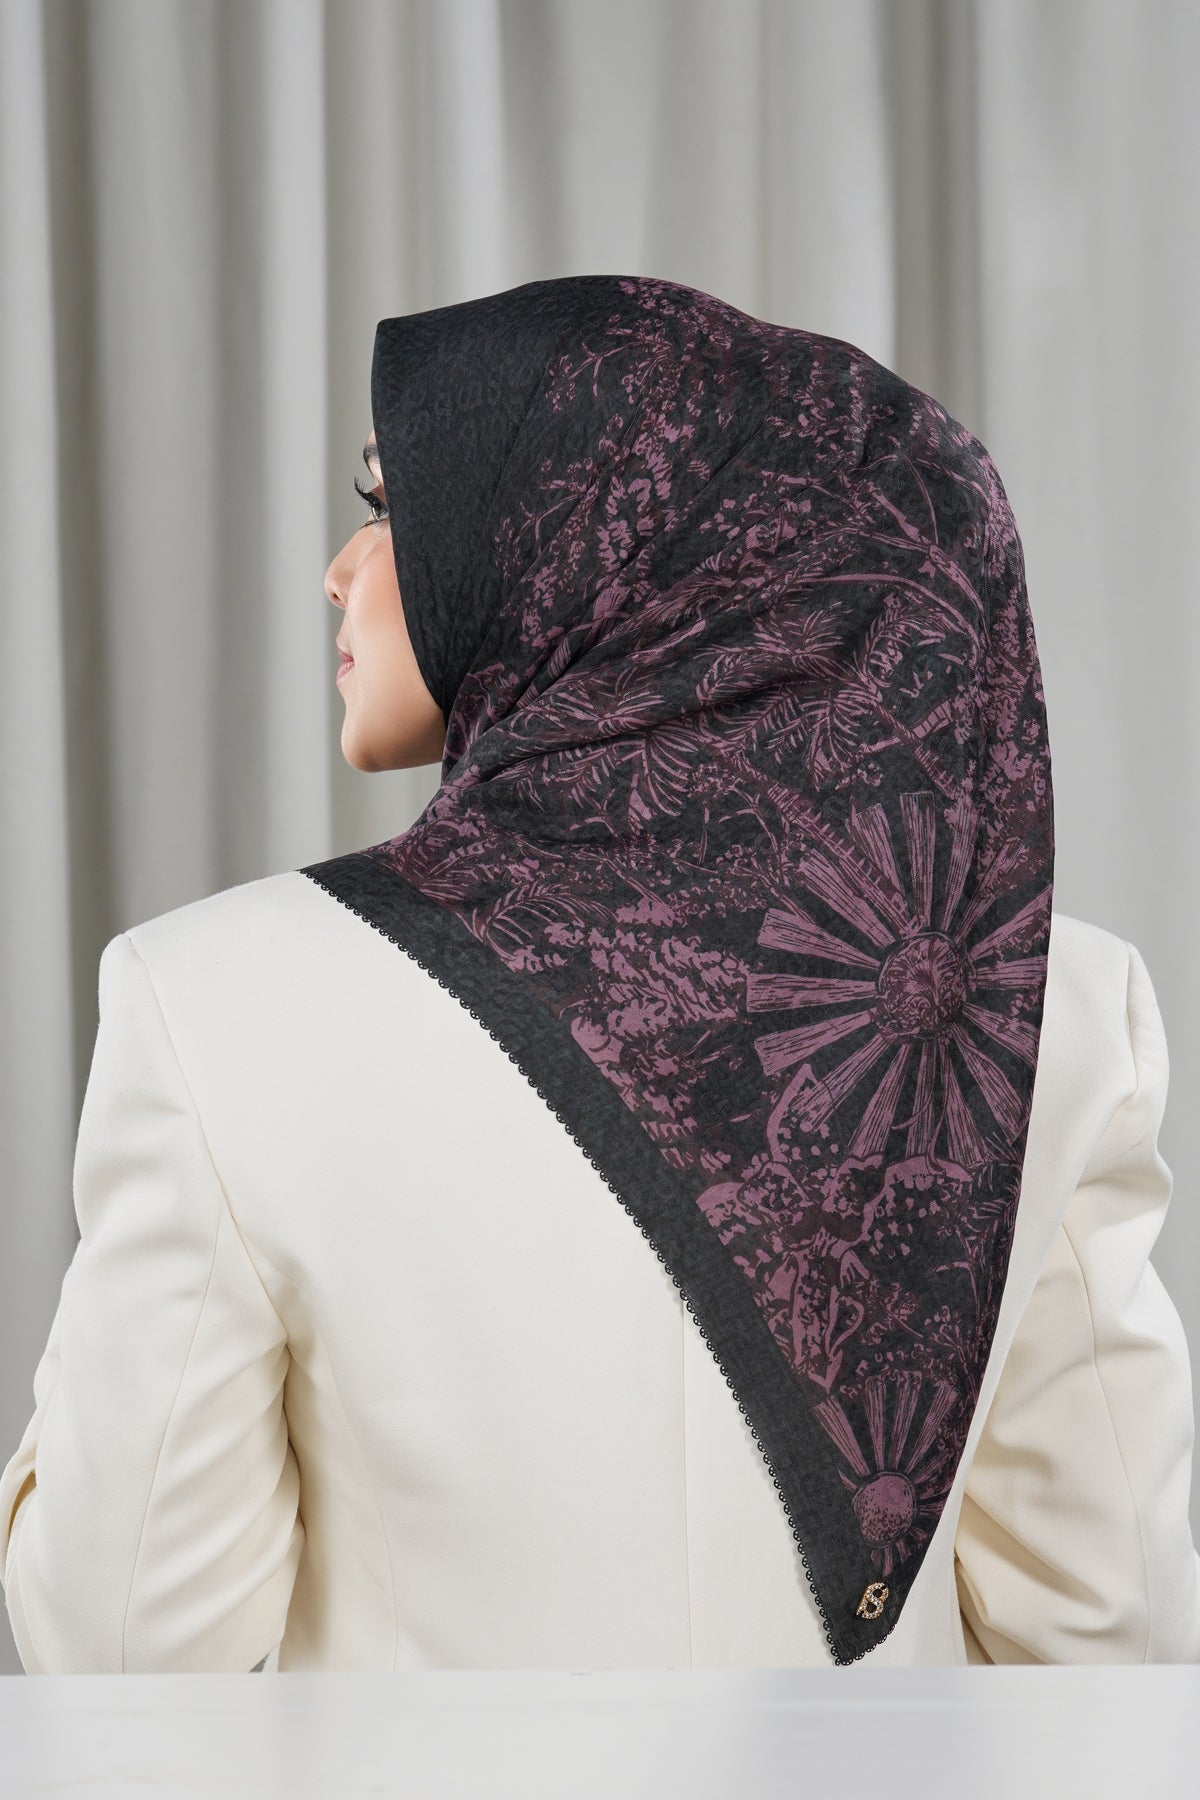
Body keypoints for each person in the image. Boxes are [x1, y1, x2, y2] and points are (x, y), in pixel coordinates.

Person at [2, 276, 1198, 1674]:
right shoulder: (1034, 1001)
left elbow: (126, 1651)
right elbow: (1113, 1631)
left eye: (389, 505)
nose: (338, 567)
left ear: (586, 543)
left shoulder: (215, 1004)